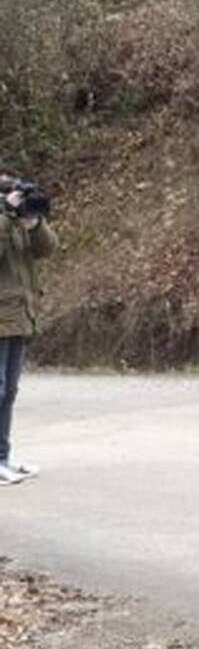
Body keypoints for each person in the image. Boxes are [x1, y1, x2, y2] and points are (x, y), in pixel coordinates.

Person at [0, 160, 58, 486]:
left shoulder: (15, 219)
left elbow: (49, 249)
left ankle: (3, 457)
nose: (10, 191)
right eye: (4, 187)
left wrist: (34, 222)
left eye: (11, 185)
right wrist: (6, 217)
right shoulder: (4, 220)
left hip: (18, 317)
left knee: (8, 393)